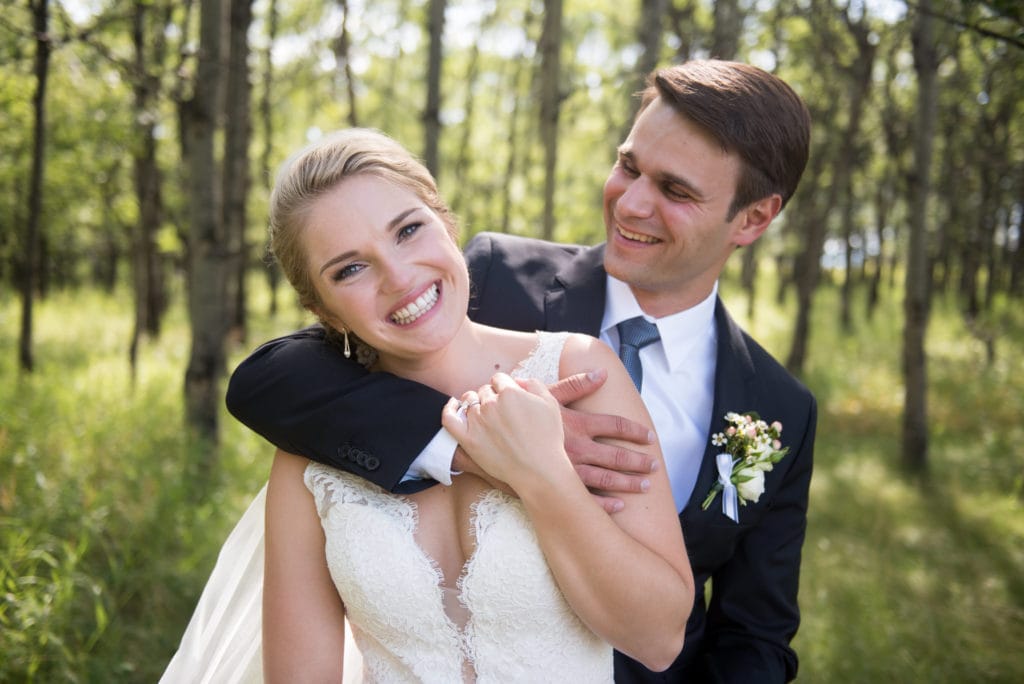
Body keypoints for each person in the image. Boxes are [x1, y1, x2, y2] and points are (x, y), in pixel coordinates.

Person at [227, 59, 817, 682]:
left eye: (675, 191)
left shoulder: (778, 409)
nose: (631, 202)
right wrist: (467, 443)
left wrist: (540, 470)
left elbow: (754, 634)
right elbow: (272, 379)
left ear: (753, 219)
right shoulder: (485, 275)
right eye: (628, 166)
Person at [164, 128, 694, 682]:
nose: (398, 277)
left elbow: (658, 639)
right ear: (321, 308)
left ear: (446, 221)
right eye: (350, 269)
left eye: (409, 230)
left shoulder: (579, 373)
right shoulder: (312, 452)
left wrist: (542, 474)